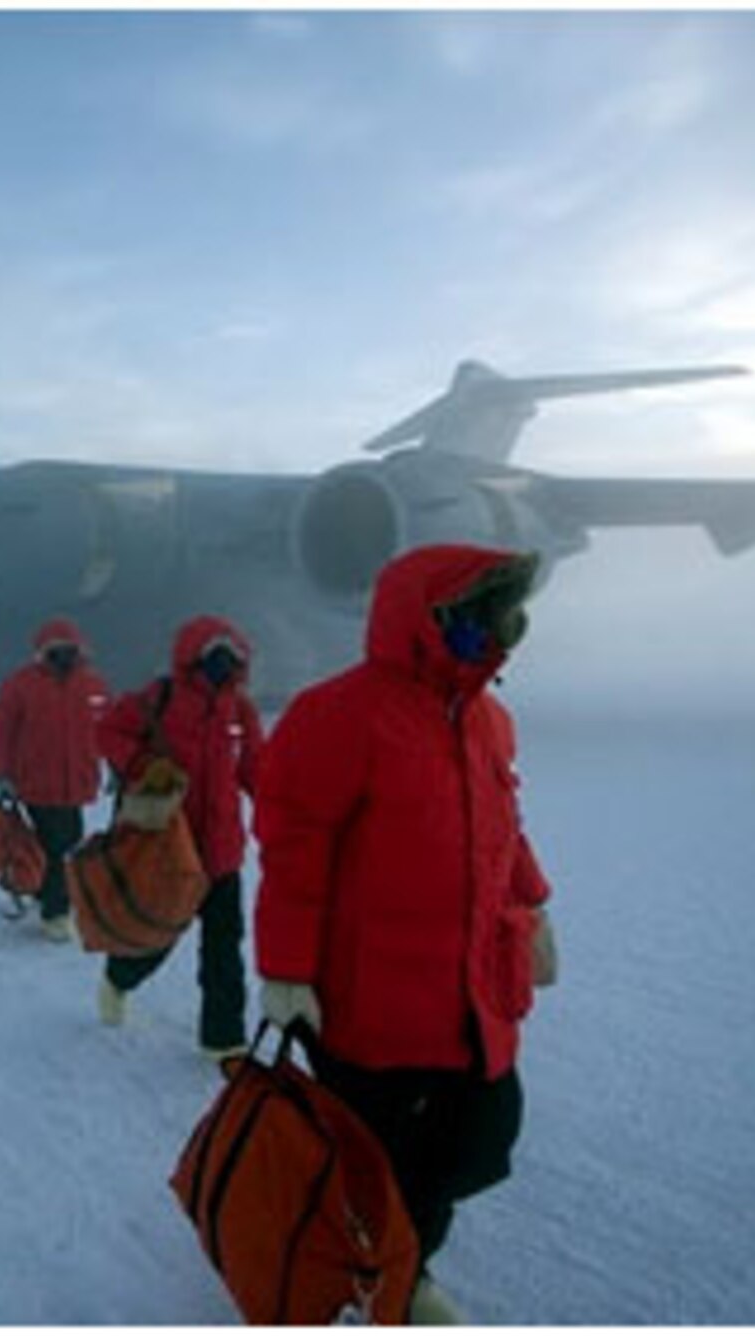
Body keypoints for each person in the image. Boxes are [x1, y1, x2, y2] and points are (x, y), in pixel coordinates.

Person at [252, 544, 555, 1324]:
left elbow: (505, 828)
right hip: (370, 1002)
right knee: (375, 1161)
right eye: (474, 612)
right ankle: (392, 1279)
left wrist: (535, 906)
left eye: (497, 612)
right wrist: (286, 970)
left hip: (472, 994)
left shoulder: (489, 722)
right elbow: (294, 851)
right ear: (426, 617)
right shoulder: (338, 714)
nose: (490, 628)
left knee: (479, 1138)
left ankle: (392, 1260)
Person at [94, 615, 263, 1059]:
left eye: (231, 657)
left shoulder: (240, 710)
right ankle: (118, 977)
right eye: (213, 656)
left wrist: (285, 819)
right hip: (169, 849)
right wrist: (143, 764)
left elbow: (257, 770)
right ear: (191, 658)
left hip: (223, 853)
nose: (223, 666)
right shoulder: (160, 698)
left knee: (224, 950)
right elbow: (108, 731)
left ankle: (223, 1040)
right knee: (157, 935)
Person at [0, 616, 111, 941]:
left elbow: (108, 730)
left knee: (53, 843)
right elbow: (0, 733)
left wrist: (116, 766)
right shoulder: (20, 686)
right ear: (42, 651)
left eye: (69, 649)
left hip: (77, 781)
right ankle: (56, 911)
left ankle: (45, 893)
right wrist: (3, 775)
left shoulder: (93, 685)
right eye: (56, 649)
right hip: (37, 783)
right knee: (63, 845)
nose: (64, 655)